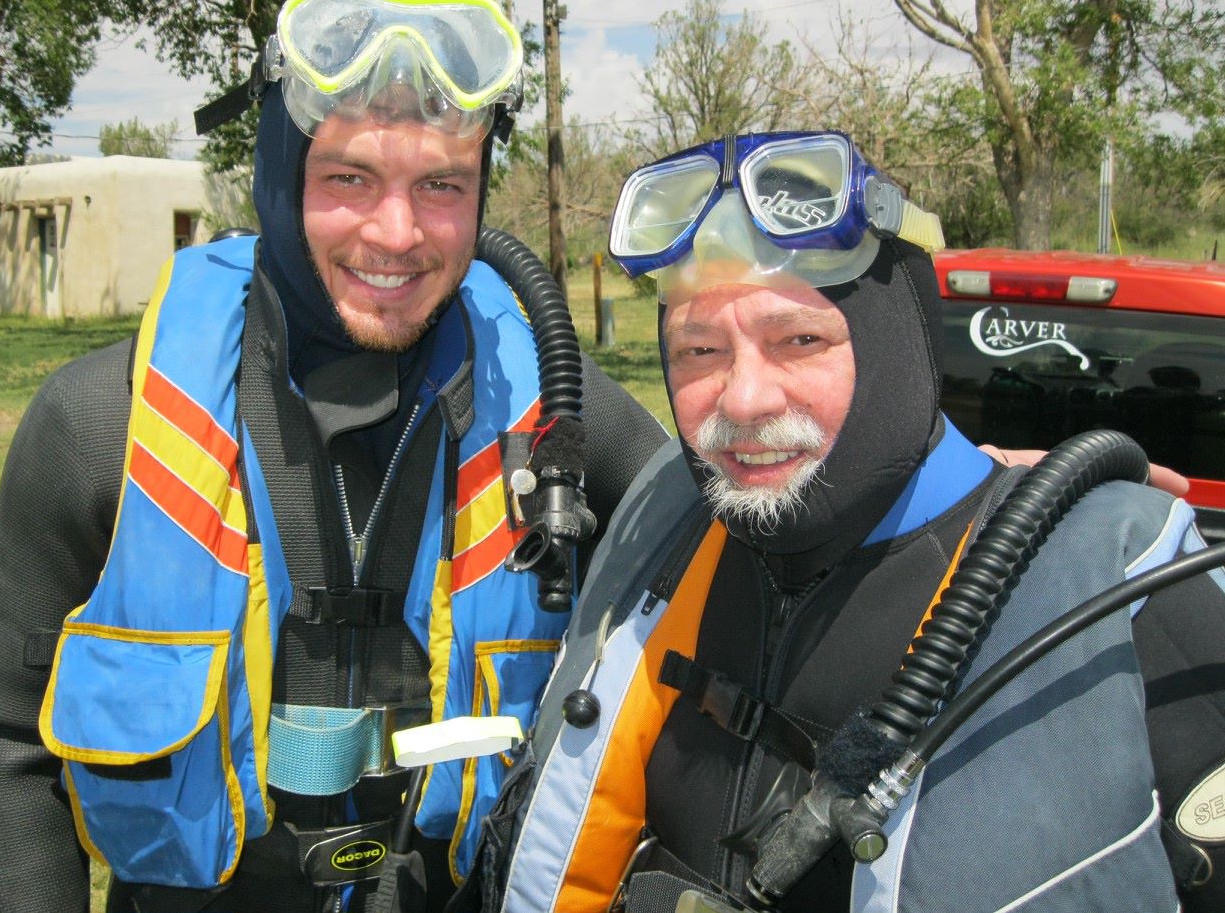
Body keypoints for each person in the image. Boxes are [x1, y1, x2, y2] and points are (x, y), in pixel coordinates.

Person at [0, 0, 668, 913]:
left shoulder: (564, 413)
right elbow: (10, 742)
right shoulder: (97, 423)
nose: (398, 232)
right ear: (278, 172)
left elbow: (736, 585)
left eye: (442, 186)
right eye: (349, 177)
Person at [472, 131, 1225, 913]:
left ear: (897, 345)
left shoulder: (1119, 595)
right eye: (698, 350)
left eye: (799, 340)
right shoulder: (669, 530)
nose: (743, 400)